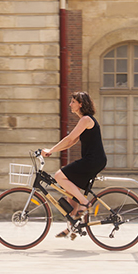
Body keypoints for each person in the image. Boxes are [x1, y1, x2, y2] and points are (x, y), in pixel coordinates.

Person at [42, 91, 107, 226]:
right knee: (70, 192)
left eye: (73, 102)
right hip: (94, 160)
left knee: (59, 176)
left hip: (93, 160)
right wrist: (52, 151)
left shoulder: (86, 120)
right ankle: (74, 224)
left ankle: (85, 202)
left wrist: (51, 150)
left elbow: (70, 138)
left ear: (81, 104)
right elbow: (71, 142)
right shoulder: (84, 120)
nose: (70, 104)